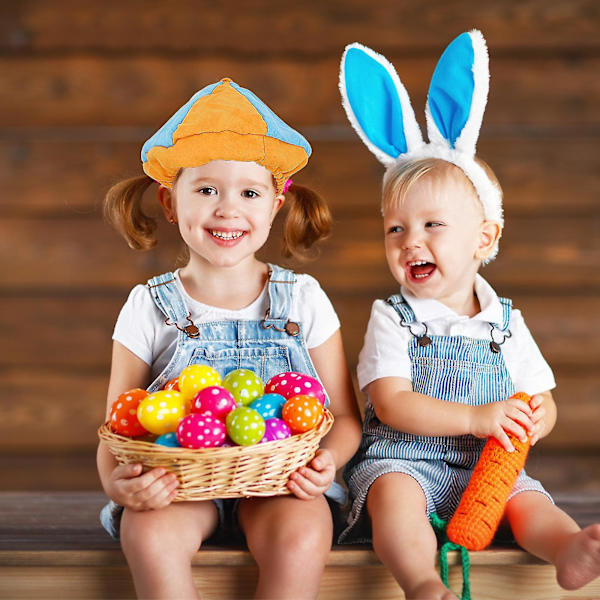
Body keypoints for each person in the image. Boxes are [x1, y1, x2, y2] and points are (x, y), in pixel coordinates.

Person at [336, 31, 600, 599]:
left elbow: (540, 396)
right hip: (407, 459)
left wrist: (533, 421)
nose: (411, 242)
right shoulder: (395, 317)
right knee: (393, 501)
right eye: (396, 229)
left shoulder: (505, 320)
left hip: (486, 468)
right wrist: (478, 417)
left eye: (433, 225)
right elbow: (393, 403)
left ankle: (567, 549)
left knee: (528, 502)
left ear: (484, 238)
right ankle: (421, 581)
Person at [96, 77, 362, 599]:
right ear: (170, 203)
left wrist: (327, 460)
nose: (227, 208)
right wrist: (117, 483)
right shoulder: (149, 306)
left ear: (275, 205)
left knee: (305, 533)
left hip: (279, 483)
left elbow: (346, 417)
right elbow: (118, 424)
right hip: (182, 484)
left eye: (248, 192)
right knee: (147, 533)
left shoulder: (303, 299)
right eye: (206, 189)